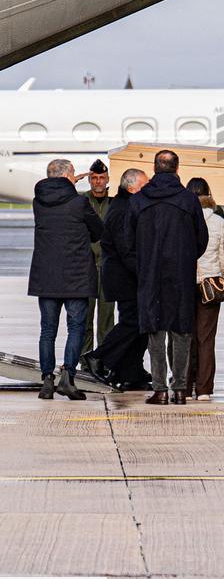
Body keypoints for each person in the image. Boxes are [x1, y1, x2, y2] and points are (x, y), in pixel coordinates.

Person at [127, 150, 209, 406]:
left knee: (155, 332)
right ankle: (181, 389)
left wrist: (144, 262)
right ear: (177, 168)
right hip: (181, 274)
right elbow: (201, 239)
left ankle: (160, 389)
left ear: (154, 168)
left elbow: (128, 242)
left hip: (150, 274)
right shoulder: (189, 200)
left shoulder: (138, 200)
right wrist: (186, 258)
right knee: (182, 331)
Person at [28, 159, 104, 400]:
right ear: (66, 176)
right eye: (72, 173)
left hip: (46, 276)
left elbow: (57, 195)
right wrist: (71, 186)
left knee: (47, 330)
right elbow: (98, 231)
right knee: (76, 327)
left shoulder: (38, 202)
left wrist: (68, 183)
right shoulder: (79, 202)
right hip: (76, 275)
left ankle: (47, 379)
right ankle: (68, 377)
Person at [81, 168, 151, 391]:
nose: (148, 188)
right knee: (133, 322)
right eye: (144, 185)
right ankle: (98, 356)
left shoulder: (127, 205)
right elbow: (126, 249)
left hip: (127, 276)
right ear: (132, 188)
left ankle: (131, 373)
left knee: (139, 325)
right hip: (125, 278)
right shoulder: (123, 208)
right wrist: (144, 273)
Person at [186, 177, 224, 401]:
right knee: (206, 338)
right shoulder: (218, 221)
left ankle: (184, 385)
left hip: (185, 282)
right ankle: (204, 389)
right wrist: (216, 273)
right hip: (210, 283)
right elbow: (223, 256)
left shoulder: (182, 217)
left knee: (185, 337)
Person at [79, 159, 115, 357]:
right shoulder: (81, 201)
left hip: (109, 267)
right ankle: (85, 361)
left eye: (101, 177)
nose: (98, 181)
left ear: (108, 179)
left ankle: (103, 360)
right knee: (85, 319)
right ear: (89, 180)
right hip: (87, 268)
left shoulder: (115, 201)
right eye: (94, 178)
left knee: (107, 320)